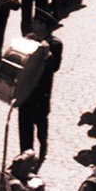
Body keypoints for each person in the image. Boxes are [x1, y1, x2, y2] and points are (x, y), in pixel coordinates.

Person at [16, 16, 63, 159]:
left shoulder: (55, 44)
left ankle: (43, 144)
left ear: (43, 25)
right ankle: (25, 152)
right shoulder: (29, 39)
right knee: (24, 121)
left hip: (42, 89)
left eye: (36, 22)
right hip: (25, 87)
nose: (32, 24)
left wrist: (47, 54)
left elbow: (54, 67)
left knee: (40, 120)